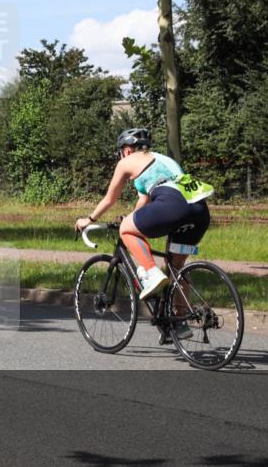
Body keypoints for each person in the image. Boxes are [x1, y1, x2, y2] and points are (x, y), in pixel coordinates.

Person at [74, 128, 212, 324]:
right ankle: (178, 322)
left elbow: (110, 199)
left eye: (120, 153)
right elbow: (143, 203)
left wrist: (88, 220)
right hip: (199, 209)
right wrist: (131, 217)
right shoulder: (161, 160)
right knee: (176, 268)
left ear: (127, 150)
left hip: (173, 204)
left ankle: (151, 273)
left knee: (126, 230)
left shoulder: (126, 162)